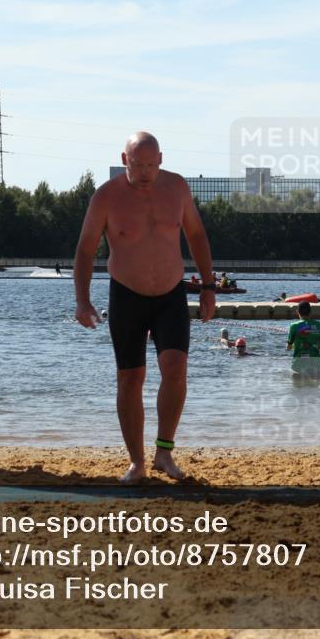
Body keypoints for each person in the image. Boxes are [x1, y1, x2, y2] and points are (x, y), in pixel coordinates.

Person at [73, 131, 216, 484]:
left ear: (161, 160)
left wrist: (208, 287)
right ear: (124, 161)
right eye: (138, 165)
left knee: (175, 368)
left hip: (170, 292)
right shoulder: (107, 197)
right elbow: (86, 249)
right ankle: (137, 461)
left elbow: (196, 235)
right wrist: (82, 299)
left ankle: (164, 452)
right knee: (130, 378)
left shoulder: (177, 188)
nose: (145, 172)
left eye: (151, 164)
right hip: (127, 294)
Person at [287, 301, 320, 379]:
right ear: (310, 312)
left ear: (297, 312)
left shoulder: (294, 326)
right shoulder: (319, 325)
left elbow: (289, 348)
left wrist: (295, 345)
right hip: (315, 365)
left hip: (298, 366)